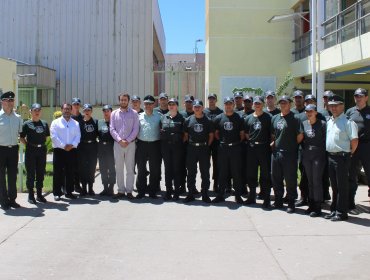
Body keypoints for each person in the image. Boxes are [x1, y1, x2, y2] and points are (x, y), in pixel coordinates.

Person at [325, 95, 358, 221]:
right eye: (331, 105)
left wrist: (349, 153)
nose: (333, 108)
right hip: (331, 157)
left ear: (342, 106)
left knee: (342, 186)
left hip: (342, 157)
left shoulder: (348, 122)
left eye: (336, 105)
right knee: (334, 186)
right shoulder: (330, 121)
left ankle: (342, 213)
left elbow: (354, 141)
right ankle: (334, 210)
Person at [271, 95, 303, 213]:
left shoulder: (295, 118)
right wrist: (274, 143)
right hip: (276, 153)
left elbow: (300, 136)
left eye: (285, 102)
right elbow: (274, 134)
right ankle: (278, 200)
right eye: (281, 103)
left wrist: (291, 145)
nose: (283, 105)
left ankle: (291, 202)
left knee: (290, 179)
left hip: (289, 153)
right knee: (276, 178)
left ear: (290, 104)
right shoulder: (274, 118)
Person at [212, 97, 245, 204]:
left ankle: (238, 195)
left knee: (236, 172)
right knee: (222, 172)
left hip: (235, 148)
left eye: (230, 104)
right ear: (224, 105)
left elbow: (242, 135)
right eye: (226, 104)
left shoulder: (239, 118)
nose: (228, 106)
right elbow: (216, 134)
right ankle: (221, 194)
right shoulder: (218, 118)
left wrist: (234, 144)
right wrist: (224, 142)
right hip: (223, 148)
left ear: (233, 105)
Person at [110, 92, 139, 200]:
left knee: (130, 168)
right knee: (119, 168)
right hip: (118, 144)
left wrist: (127, 140)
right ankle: (121, 190)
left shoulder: (134, 113)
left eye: (125, 100)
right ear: (119, 101)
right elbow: (112, 129)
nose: (123, 101)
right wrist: (119, 140)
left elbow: (136, 129)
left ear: (128, 101)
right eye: (121, 100)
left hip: (130, 145)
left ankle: (129, 191)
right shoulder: (114, 113)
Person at [183, 99, 214, 203]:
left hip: (203, 149)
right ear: (193, 108)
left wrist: (206, 146)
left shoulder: (208, 121)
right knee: (191, 172)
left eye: (199, 107)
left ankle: (205, 194)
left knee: (205, 172)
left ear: (202, 108)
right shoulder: (188, 120)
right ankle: (190, 194)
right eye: (195, 107)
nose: (196, 108)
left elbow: (211, 136)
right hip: (191, 148)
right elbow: (186, 136)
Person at [244, 96, 272, 208]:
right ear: (253, 105)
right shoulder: (248, 118)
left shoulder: (268, 117)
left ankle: (266, 198)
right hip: (252, 148)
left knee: (265, 174)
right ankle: (252, 196)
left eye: (259, 103)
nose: (257, 105)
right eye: (255, 103)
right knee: (251, 173)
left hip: (264, 148)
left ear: (263, 104)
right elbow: (247, 134)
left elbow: (272, 134)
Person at [20, 103, 50, 204]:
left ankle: (39, 194)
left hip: (41, 150)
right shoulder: (26, 124)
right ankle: (31, 195)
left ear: (40, 111)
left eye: (38, 110)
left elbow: (46, 137)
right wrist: (28, 145)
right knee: (31, 173)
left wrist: (40, 145)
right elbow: (22, 138)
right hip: (31, 151)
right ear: (31, 112)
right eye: (35, 110)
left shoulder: (45, 123)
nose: (37, 112)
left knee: (41, 172)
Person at [50, 103, 81, 201]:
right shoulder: (55, 122)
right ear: (62, 110)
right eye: (65, 109)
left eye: (68, 109)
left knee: (70, 172)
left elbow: (78, 136)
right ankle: (57, 193)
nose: (67, 110)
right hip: (59, 150)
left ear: (71, 110)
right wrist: (64, 146)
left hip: (72, 150)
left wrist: (72, 145)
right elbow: (54, 137)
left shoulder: (75, 123)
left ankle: (69, 192)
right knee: (58, 172)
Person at [300, 104, 326, 217]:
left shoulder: (322, 124)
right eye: (307, 111)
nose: (309, 113)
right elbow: (301, 139)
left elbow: (326, 140)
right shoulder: (304, 123)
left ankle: (318, 206)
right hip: (307, 154)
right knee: (309, 180)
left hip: (318, 154)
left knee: (316, 181)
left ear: (315, 112)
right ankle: (311, 204)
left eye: (311, 111)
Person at [346, 88, 370, 210]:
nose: (358, 98)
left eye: (361, 96)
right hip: (354, 146)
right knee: (352, 175)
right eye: (356, 96)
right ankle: (350, 202)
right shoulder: (350, 112)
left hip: (367, 147)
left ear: (366, 97)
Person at [135, 95, 162, 199]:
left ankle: (152, 191)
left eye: (150, 104)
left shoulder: (159, 116)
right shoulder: (139, 116)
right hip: (141, 145)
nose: (148, 106)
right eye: (146, 104)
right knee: (141, 169)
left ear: (154, 104)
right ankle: (141, 191)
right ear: (143, 104)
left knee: (154, 169)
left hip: (154, 145)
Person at [0, 91, 22, 210]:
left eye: (12, 100)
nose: (10, 103)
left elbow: (21, 134)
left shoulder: (18, 118)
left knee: (13, 175)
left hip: (13, 149)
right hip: (1, 149)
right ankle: (3, 201)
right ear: (2, 102)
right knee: (1, 176)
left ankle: (12, 199)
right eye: (7, 100)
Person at [160, 98, 185, 200]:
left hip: (177, 147)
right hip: (166, 147)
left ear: (177, 106)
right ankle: (168, 191)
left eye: (173, 104)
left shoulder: (181, 118)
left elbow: (185, 135)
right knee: (168, 169)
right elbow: (160, 130)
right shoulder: (163, 118)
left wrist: (177, 137)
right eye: (169, 104)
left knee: (176, 169)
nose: (171, 106)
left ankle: (176, 192)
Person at [203, 93, 223, 192]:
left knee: (217, 163)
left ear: (216, 100)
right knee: (206, 163)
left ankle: (216, 184)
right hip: (205, 141)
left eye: (213, 99)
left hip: (216, 141)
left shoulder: (220, 112)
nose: (211, 100)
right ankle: (206, 184)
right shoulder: (204, 111)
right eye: (210, 98)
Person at [77, 104, 98, 196]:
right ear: (83, 111)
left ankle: (91, 188)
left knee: (91, 168)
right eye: (85, 110)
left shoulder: (95, 122)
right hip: (82, 147)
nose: (87, 112)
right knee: (83, 169)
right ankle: (84, 188)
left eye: (89, 110)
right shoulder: (80, 123)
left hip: (93, 146)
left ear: (91, 111)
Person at [97, 105, 116, 196]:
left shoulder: (115, 123)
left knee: (111, 169)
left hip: (111, 148)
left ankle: (111, 188)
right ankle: (105, 188)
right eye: (104, 111)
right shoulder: (99, 122)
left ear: (111, 112)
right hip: (101, 149)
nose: (106, 112)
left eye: (108, 111)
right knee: (103, 169)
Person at [71, 97, 83, 194]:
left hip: (80, 146)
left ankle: (77, 185)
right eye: (74, 104)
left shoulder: (82, 117)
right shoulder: (68, 117)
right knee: (70, 166)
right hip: (70, 145)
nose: (76, 106)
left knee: (79, 166)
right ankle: (69, 185)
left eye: (77, 104)